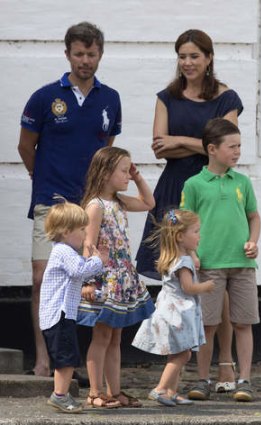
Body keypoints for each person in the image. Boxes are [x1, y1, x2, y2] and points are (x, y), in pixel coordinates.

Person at [135, 28, 243, 389]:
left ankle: (225, 365)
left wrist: (181, 139)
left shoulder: (226, 97)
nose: (188, 62)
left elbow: (225, 146)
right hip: (173, 192)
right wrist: (202, 144)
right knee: (177, 282)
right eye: (182, 55)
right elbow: (159, 149)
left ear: (209, 58)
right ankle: (180, 371)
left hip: (214, 192)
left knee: (217, 279)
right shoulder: (166, 96)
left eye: (195, 55)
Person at [17, 21, 121, 378]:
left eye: (92, 54)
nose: (85, 60)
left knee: (88, 280)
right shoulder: (45, 97)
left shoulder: (110, 99)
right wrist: (42, 178)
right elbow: (25, 146)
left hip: (88, 205)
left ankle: (74, 361)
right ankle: (45, 359)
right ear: (67, 54)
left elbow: (106, 153)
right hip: (52, 201)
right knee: (42, 276)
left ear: (100, 55)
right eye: (79, 53)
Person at [181, 118, 261, 402]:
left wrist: (253, 241)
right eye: (232, 147)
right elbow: (182, 223)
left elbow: (254, 216)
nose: (238, 152)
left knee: (244, 323)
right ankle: (202, 379)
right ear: (212, 149)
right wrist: (191, 253)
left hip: (243, 264)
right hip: (209, 265)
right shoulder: (194, 185)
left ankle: (245, 380)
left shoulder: (243, 182)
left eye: (240, 146)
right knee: (207, 325)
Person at [76, 146, 155, 408]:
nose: (128, 176)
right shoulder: (95, 206)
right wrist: (88, 280)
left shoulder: (119, 202)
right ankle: (94, 391)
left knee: (115, 338)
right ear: (106, 172)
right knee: (101, 337)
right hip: (104, 279)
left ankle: (115, 390)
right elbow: (88, 243)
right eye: (124, 171)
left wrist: (138, 176)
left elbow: (148, 203)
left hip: (122, 278)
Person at [132, 209, 215, 406]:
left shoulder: (173, 257)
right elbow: (188, 287)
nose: (199, 236)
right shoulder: (183, 262)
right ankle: (160, 388)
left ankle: (171, 391)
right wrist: (206, 286)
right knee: (184, 353)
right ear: (179, 236)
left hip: (168, 309)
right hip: (178, 313)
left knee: (176, 352)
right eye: (195, 231)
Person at [39, 201, 106, 413]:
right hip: (59, 316)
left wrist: (95, 293)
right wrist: (97, 261)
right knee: (66, 358)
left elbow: (73, 282)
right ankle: (59, 395)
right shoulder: (63, 251)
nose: (86, 234)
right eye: (82, 229)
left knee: (66, 356)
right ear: (66, 231)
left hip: (61, 315)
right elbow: (79, 271)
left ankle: (62, 393)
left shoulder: (65, 252)